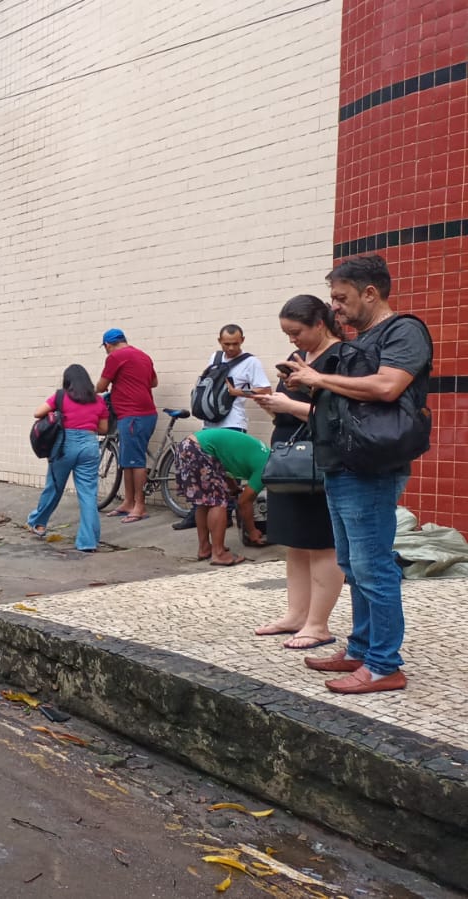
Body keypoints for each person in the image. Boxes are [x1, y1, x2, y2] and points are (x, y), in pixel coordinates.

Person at [285, 255, 432, 695]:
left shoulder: (404, 330)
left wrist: (321, 380)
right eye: (333, 299)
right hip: (342, 464)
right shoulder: (361, 339)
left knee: (373, 568)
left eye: (341, 298)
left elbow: (388, 386)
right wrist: (310, 383)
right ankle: (362, 649)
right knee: (353, 564)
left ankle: (385, 665)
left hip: (370, 467)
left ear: (371, 293)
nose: (336, 308)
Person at [250, 295, 344, 650]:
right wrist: (275, 406)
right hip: (289, 454)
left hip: (320, 458)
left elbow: (336, 414)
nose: (293, 340)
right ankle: (296, 614)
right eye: (288, 334)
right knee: (295, 542)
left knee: (321, 543)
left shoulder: (339, 359)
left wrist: (289, 404)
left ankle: (318, 623)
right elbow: (290, 412)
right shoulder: (299, 360)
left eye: (297, 332)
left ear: (319, 323)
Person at [175, 325, 272, 530]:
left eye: (235, 344)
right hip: (210, 423)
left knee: (227, 479)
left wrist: (239, 393)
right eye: (226, 344)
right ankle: (204, 515)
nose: (230, 348)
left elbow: (265, 391)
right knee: (208, 478)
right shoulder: (215, 358)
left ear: (242, 340)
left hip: (233, 425)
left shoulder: (250, 362)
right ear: (219, 341)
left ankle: (226, 518)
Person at [26, 364, 109, 552]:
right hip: (89, 445)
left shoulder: (61, 396)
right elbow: (103, 429)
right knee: (88, 494)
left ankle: (38, 523)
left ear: (67, 381)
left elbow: (37, 413)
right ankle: (88, 542)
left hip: (64, 445)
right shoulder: (98, 401)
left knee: (54, 487)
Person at [174, 428, 268, 566]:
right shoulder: (266, 467)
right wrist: (252, 531)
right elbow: (244, 502)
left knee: (204, 502)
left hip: (189, 446)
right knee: (218, 502)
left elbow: (225, 466)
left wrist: (234, 488)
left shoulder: (265, 454)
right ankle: (218, 554)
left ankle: (205, 548)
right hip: (201, 450)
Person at [95, 328, 159, 522]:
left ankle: (139, 506)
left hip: (133, 415)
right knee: (128, 461)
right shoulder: (144, 356)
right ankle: (128, 502)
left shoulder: (115, 357)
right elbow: (154, 382)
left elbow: (101, 386)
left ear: (107, 345)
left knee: (136, 462)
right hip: (144, 414)